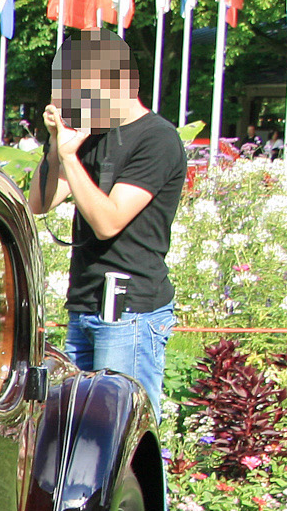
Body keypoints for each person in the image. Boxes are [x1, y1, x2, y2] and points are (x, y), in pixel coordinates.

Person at [27, 29, 187, 422]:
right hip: (84, 304)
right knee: (72, 432)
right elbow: (40, 203)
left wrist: (70, 155)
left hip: (130, 313)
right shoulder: (89, 134)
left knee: (121, 438)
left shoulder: (158, 139)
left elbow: (107, 222)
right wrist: (55, 144)